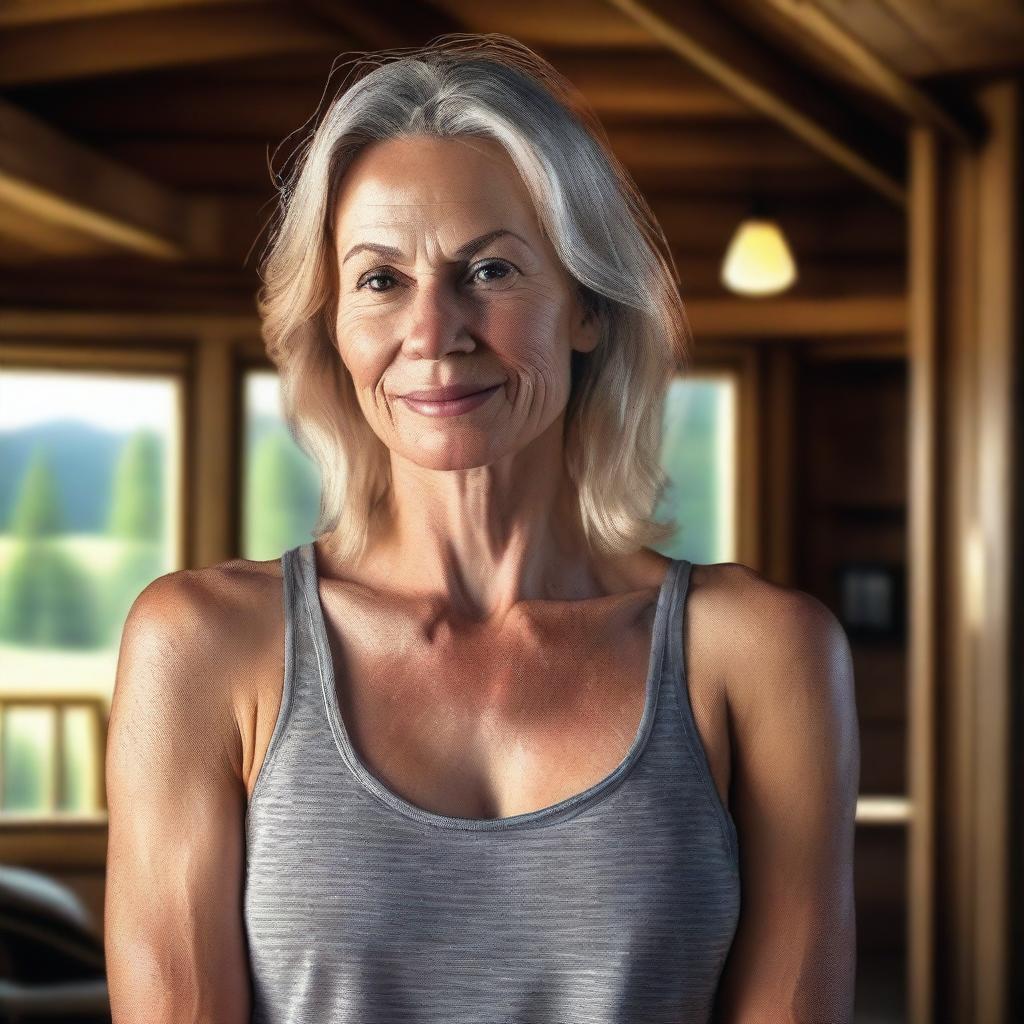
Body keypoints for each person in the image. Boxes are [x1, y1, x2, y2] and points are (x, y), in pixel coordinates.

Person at [103, 33, 860, 1024]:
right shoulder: (202, 646)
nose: (432, 330)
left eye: (491, 271)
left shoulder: (763, 652)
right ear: (331, 320)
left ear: (585, 304)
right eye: (380, 280)